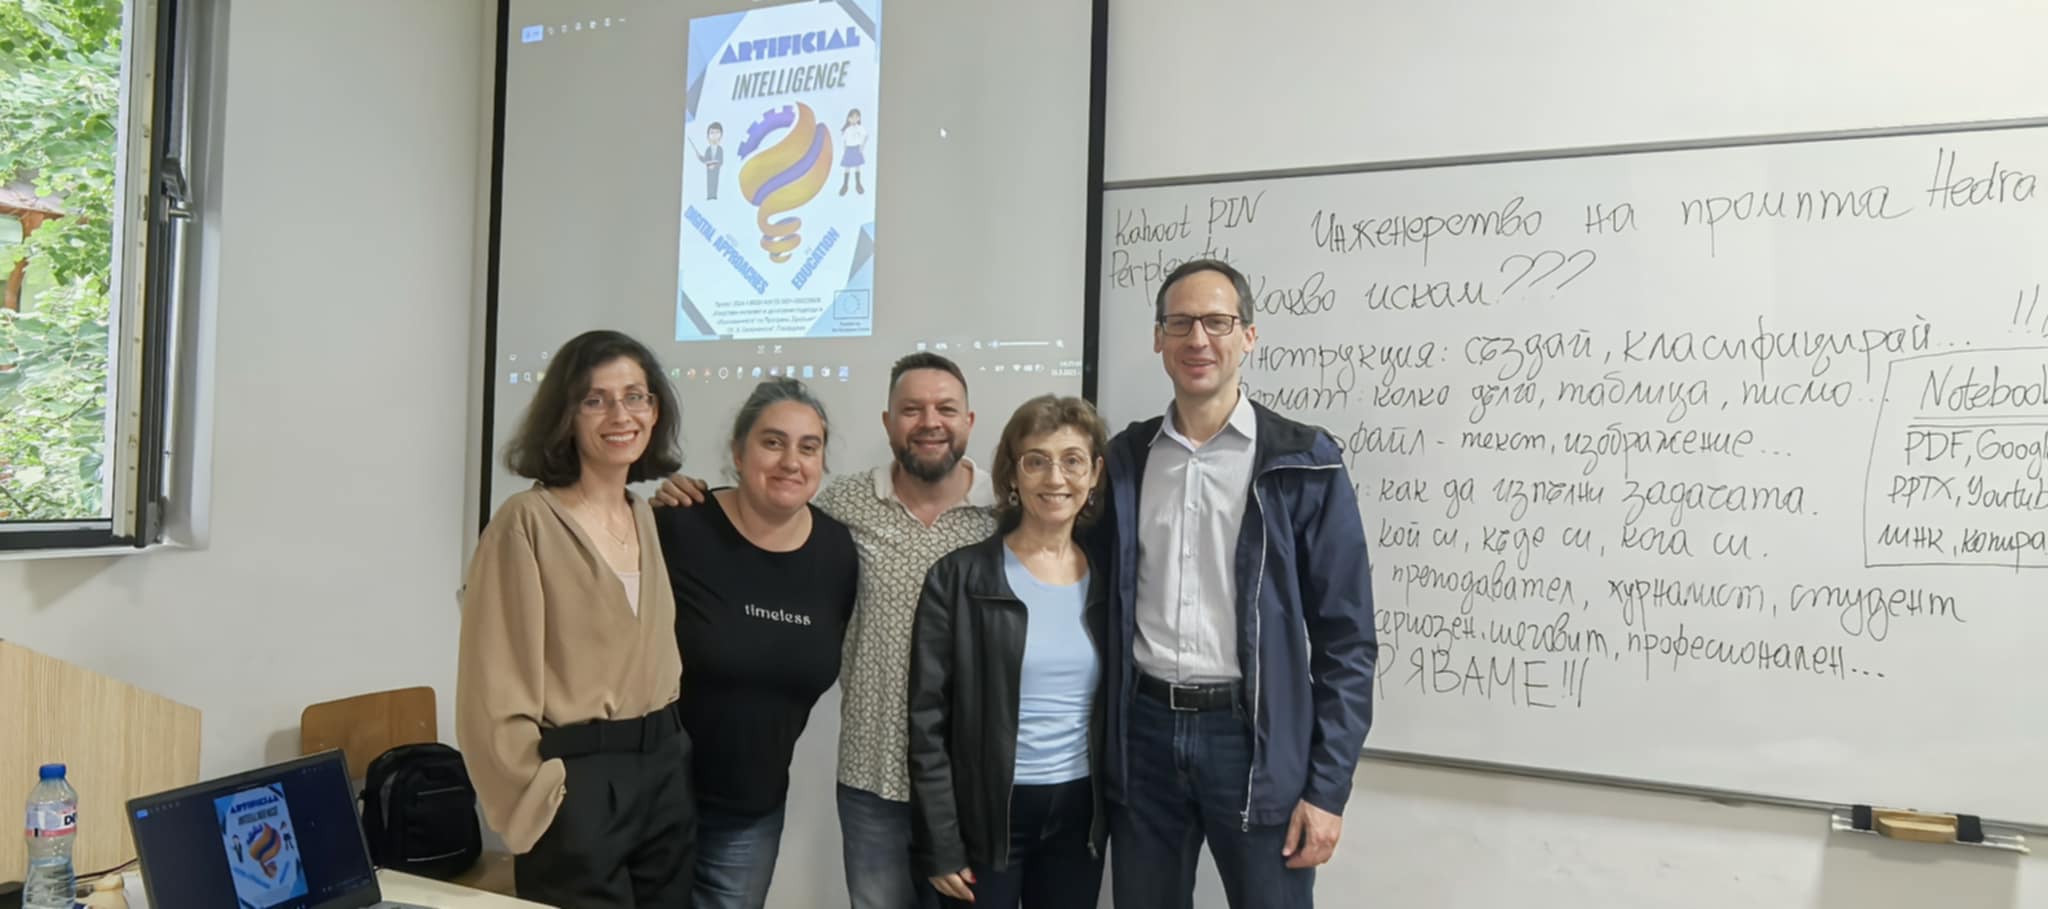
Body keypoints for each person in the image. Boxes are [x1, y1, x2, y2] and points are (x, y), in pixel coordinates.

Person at [658, 352, 991, 909]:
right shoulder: (843, 509)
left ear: (969, 421)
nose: (929, 422)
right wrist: (675, 493)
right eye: (911, 409)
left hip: (965, 782)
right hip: (864, 776)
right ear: (888, 422)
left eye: (946, 408)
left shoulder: (1003, 512)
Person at [1094, 258, 1376, 909]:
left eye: (1217, 322)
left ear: (1248, 335)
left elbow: (1347, 641)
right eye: (1180, 323)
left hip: (1254, 743)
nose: (1198, 339)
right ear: (1158, 338)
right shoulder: (1126, 460)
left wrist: (1327, 789)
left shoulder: (1305, 462)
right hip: (1143, 736)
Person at [456, 329, 696, 908]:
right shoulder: (526, 523)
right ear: (566, 415)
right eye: (595, 399)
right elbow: (491, 685)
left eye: (635, 396)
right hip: (578, 783)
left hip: (664, 770)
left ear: (655, 409)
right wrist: (535, 797)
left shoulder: (644, 516)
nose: (620, 415)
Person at [655, 378, 858, 909]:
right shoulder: (678, 526)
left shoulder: (838, 551)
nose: (791, 461)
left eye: (808, 447)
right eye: (772, 442)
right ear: (738, 453)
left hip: (750, 813)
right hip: (652, 804)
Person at [907, 395, 1110, 909]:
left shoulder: (1110, 580)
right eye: (1036, 461)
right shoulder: (958, 578)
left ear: (1094, 475)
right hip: (986, 818)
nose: (1055, 478)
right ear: (1012, 475)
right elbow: (926, 723)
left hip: (1079, 815)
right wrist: (941, 841)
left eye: (1072, 461)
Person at [839, 108, 867, 196]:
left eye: (856, 117)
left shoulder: (860, 128)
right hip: (849, 149)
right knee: (847, 167)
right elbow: (844, 141)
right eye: (852, 117)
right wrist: (844, 151)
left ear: (859, 118)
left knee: (857, 167)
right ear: (849, 118)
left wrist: (862, 146)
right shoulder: (847, 129)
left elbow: (865, 136)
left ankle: (858, 184)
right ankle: (845, 185)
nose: (854, 119)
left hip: (856, 148)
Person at [699, 122, 725, 201]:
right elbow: (706, 159)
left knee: (715, 182)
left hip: (716, 170)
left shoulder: (720, 149)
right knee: (709, 182)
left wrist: (715, 165)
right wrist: (700, 157)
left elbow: (721, 161)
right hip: (709, 170)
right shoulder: (708, 149)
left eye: (717, 132)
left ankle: (714, 195)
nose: (714, 135)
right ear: (708, 136)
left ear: (721, 136)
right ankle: (709, 195)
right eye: (712, 133)